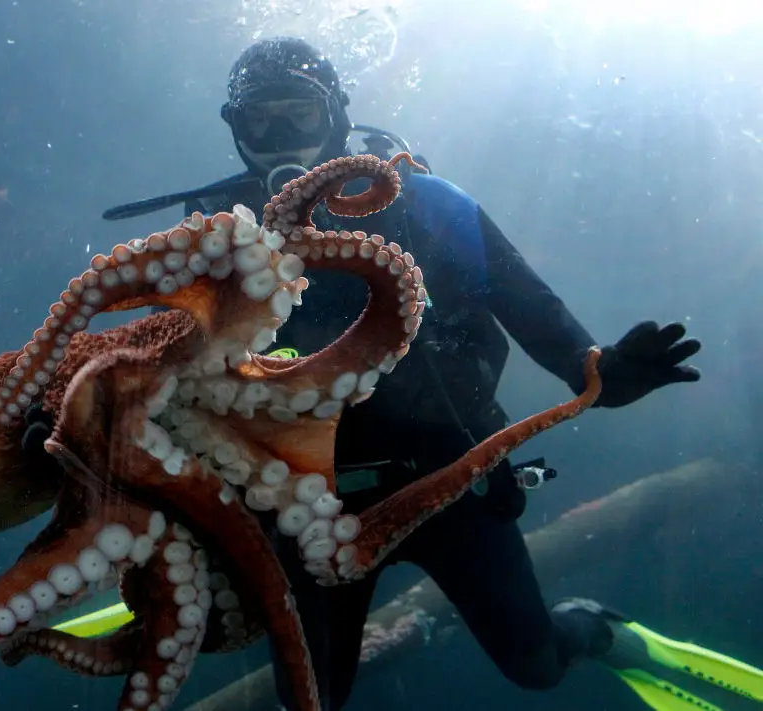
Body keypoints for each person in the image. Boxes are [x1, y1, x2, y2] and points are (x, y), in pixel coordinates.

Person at [88, 37, 763, 711]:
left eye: (299, 114)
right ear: (233, 129)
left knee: (537, 665)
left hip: (453, 483)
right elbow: (158, 373)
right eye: (257, 122)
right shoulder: (212, 239)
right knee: (314, 699)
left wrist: (601, 374)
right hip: (306, 507)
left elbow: (543, 321)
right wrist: (77, 433)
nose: (279, 139)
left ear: (338, 116)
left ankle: (592, 629)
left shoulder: (429, 205)